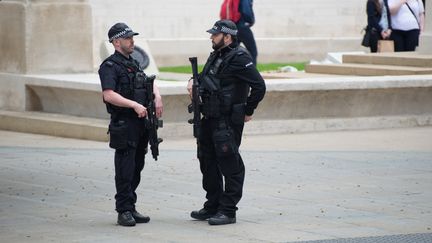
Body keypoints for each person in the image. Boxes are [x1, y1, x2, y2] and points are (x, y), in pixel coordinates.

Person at [187, 19, 266, 225]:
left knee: (230, 164)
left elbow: (259, 86)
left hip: (227, 121)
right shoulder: (217, 54)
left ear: (227, 37)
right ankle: (212, 204)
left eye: (215, 34)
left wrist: (247, 110)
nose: (211, 37)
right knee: (207, 161)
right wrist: (192, 82)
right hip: (209, 118)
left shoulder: (240, 57)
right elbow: (205, 78)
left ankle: (228, 210)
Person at [98, 22, 163, 227]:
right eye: (128, 38)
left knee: (137, 167)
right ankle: (123, 210)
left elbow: (147, 81)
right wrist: (134, 104)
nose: (132, 41)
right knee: (125, 169)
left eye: (132, 38)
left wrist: (157, 95)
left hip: (140, 124)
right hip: (124, 124)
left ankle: (131, 206)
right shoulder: (109, 66)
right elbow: (108, 95)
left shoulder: (133, 62)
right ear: (117, 42)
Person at [220, 0, 258, 65]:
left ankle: (232, 72)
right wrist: (251, 21)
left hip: (232, 28)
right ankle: (251, 74)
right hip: (242, 26)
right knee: (252, 51)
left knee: (231, 52)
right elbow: (246, 11)